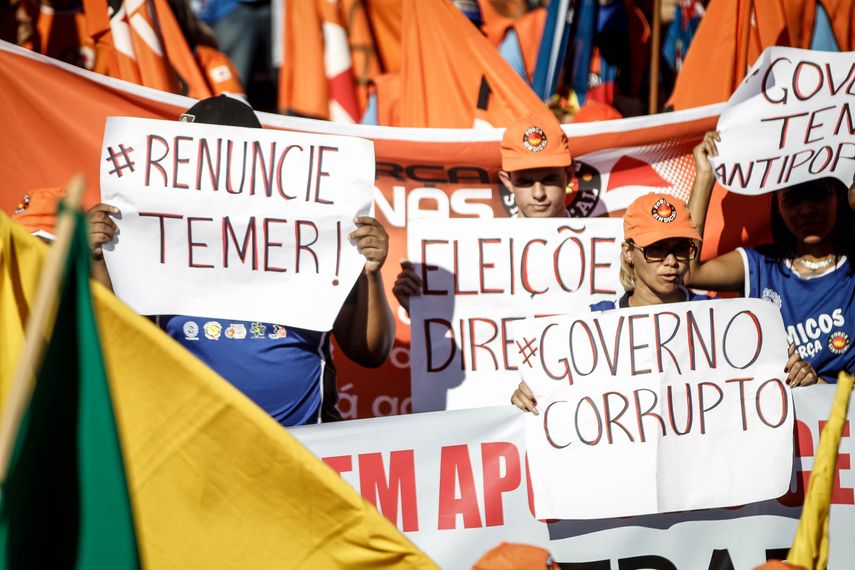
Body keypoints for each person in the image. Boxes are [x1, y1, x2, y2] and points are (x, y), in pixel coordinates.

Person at [87, 95, 395, 426]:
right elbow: (116, 342)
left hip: (307, 444)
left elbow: (370, 351)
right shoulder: (156, 235)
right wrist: (98, 260)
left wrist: (370, 274)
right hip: (198, 443)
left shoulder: (314, 231)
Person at [511, 148, 820, 413]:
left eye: (680, 248)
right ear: (629, 253)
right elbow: (553, 390)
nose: (671, 261)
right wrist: (529, 393)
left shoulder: (723, 319)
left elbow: (766, 389)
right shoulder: (595, 323)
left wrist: (800, 377)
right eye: (656, 250)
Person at [685, 133, 854, 384]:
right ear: (777, 204)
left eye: (818, 194)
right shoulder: (760, 265)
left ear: (839, 196)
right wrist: (704, 176)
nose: (806, 210)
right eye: (793, 199)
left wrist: (817, 385)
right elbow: (689, 271)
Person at [393, 112, 573, 312]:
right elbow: (471, 321)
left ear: (569, 174)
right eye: (525, 182)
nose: (538, 194)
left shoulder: (597, 250)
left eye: (549, 180)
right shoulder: (479, 254)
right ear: (507, 181)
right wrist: (422, 309)